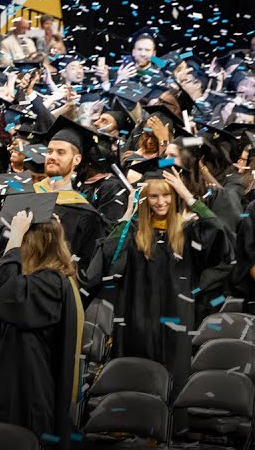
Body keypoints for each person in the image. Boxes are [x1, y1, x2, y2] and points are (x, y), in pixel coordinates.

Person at [86, 164, 234, 390]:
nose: (161, 202)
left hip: (176, 320)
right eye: (153, 196)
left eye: (167, 195)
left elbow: (220, 235)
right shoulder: (134, 231)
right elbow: (108, 257)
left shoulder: (188, 232)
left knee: (173, 381)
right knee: (134, 381)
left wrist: (187, 196)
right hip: (135, 321)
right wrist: (128, 213)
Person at [0, 208, 82, 450]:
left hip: (28, 389)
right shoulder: (40, 280)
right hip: (16, 381)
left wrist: (14, 240)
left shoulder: (50, 282)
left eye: (23, 242)